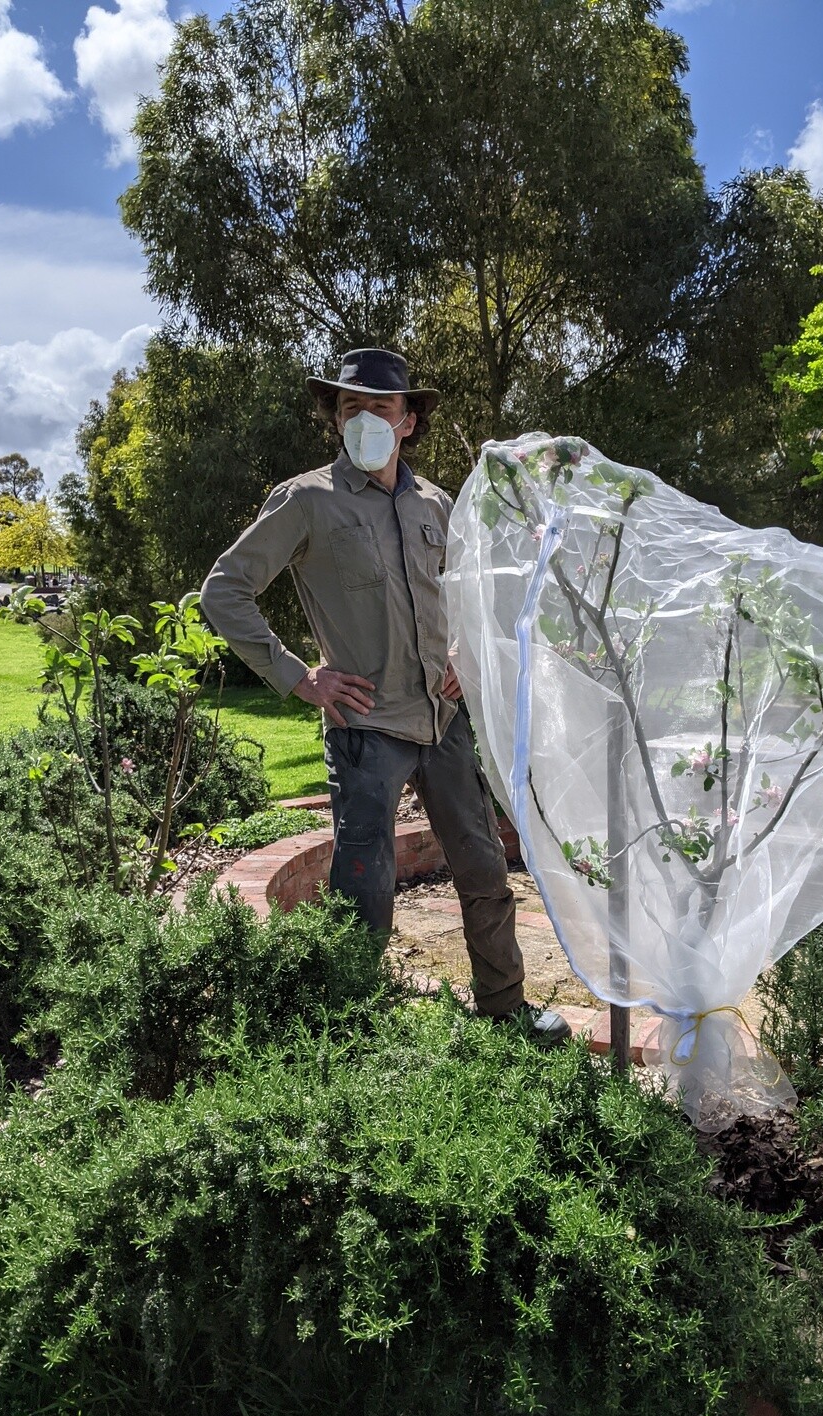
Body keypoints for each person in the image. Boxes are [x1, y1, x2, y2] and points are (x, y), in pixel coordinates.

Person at [201, 348, 569, 1044]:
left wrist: (465, 654)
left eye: (380, 407)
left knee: (483, 865)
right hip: (365, 725)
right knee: (364, 884)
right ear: (333, 420)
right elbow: (225, 590)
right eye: (349, 408)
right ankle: (352, 1026)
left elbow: (469, 592)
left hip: (441, 719)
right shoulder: (307, 499)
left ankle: (504, 1006)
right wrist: (297, 676)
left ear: (408, 422)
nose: (364, 418)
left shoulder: (435, 502)